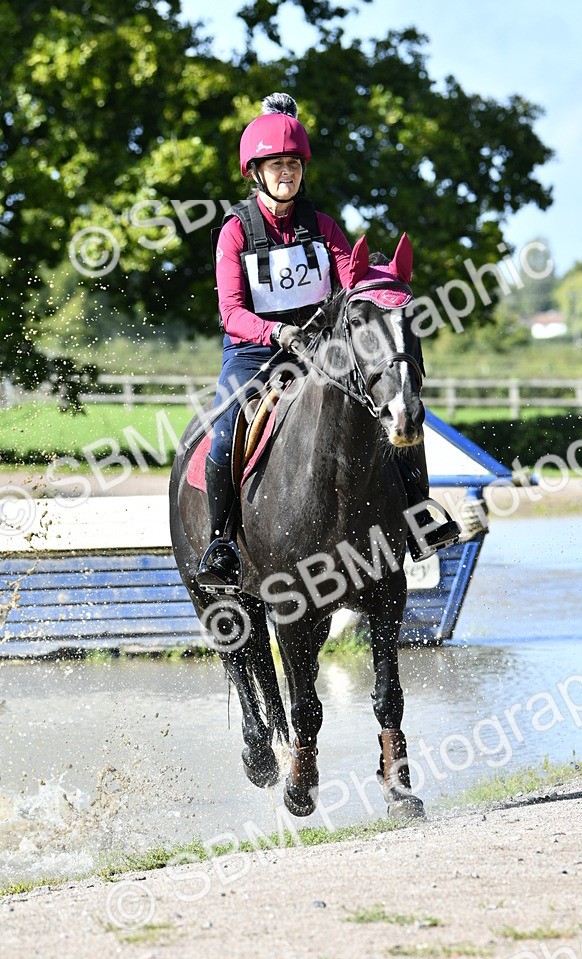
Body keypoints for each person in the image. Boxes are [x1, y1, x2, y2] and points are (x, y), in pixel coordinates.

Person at [196, 92, 460, 593]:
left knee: (395, 408)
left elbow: (353, 283)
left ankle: (420, 514)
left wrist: (383, 296)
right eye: (276, 166)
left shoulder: (323, 227)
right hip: (254, 353)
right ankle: (221, 543)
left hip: (318, 352)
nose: (287, 174)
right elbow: (231, 313)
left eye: (293, 165)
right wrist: (276, 331)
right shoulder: (234, 233)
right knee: (226, 432)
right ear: (256, 172)